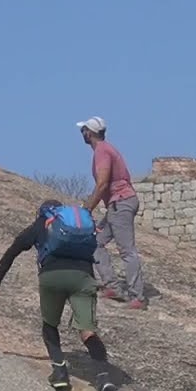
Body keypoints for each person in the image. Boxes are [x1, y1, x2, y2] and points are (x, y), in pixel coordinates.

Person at [0, 200, 119, 391]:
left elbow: (13, 251)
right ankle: (103, 379)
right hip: (84, 278)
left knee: (50, 325)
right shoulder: (80, 227)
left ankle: (60, 372)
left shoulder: (41, 224)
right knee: (87, 331)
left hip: (52, 278)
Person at [77, 116, 147, 309]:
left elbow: (102, 184)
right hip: (118, 203)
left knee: (127, 251)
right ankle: (113, 287)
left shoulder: (102, 151)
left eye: (83, 130)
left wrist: (87, 209)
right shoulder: (105, 149)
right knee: (95, 242)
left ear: (89, 132)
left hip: (120, 202)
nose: (82, 133)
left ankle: (137, 297)